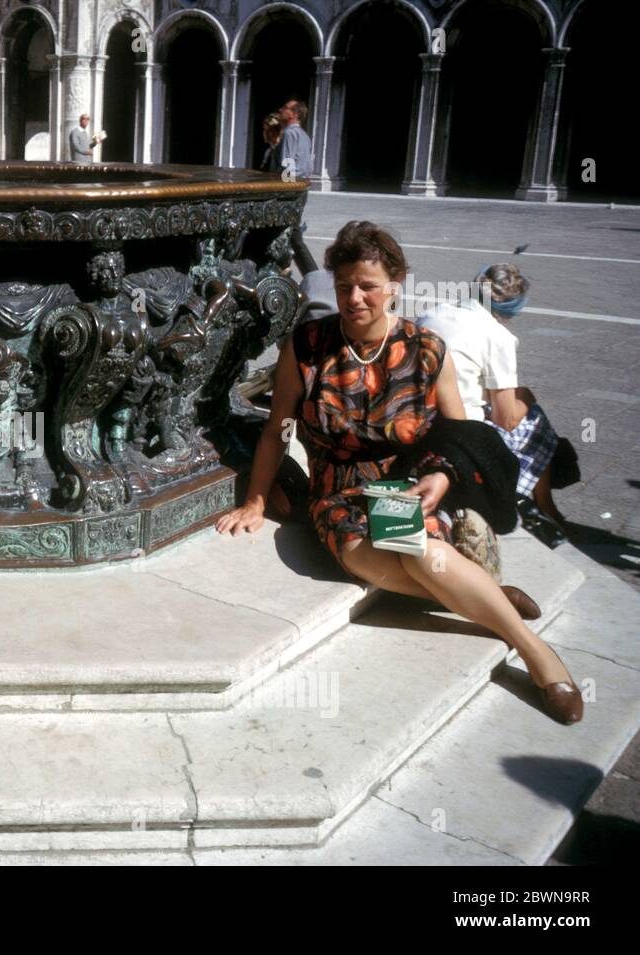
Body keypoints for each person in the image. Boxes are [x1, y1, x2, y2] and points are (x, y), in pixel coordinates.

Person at [215, 221, 582, 725]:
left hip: (403, 483)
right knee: (361, 556)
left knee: (419, 553)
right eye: (344, 286)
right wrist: (256, 499)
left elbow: (462, 436)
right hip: (337, 490)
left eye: (367, 285)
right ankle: (486, 596)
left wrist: (444, 478)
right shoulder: (306, 345)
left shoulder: (425, 350)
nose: (355, 297)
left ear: (395, 283)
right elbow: (278, 429)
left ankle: (536, 653)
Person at [418, 264, 573, 545]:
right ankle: (543, 505)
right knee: (534, 421)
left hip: (422, 415)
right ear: (513, 308)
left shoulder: (435, 312)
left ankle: (542, 503)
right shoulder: (498, 337)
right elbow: (507, 418)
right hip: (462, 429)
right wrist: (526, 396)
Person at [277, 99, 319, 275]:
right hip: (300, 189)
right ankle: (285, 270)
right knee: (290, 235)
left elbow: (287, 163)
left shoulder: (289, 134)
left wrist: (283, 192)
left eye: (285, 108)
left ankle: (313, 274)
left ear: (294, 114)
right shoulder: (304, 135)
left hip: (290, 190)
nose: (281, 110)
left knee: (292, 235)